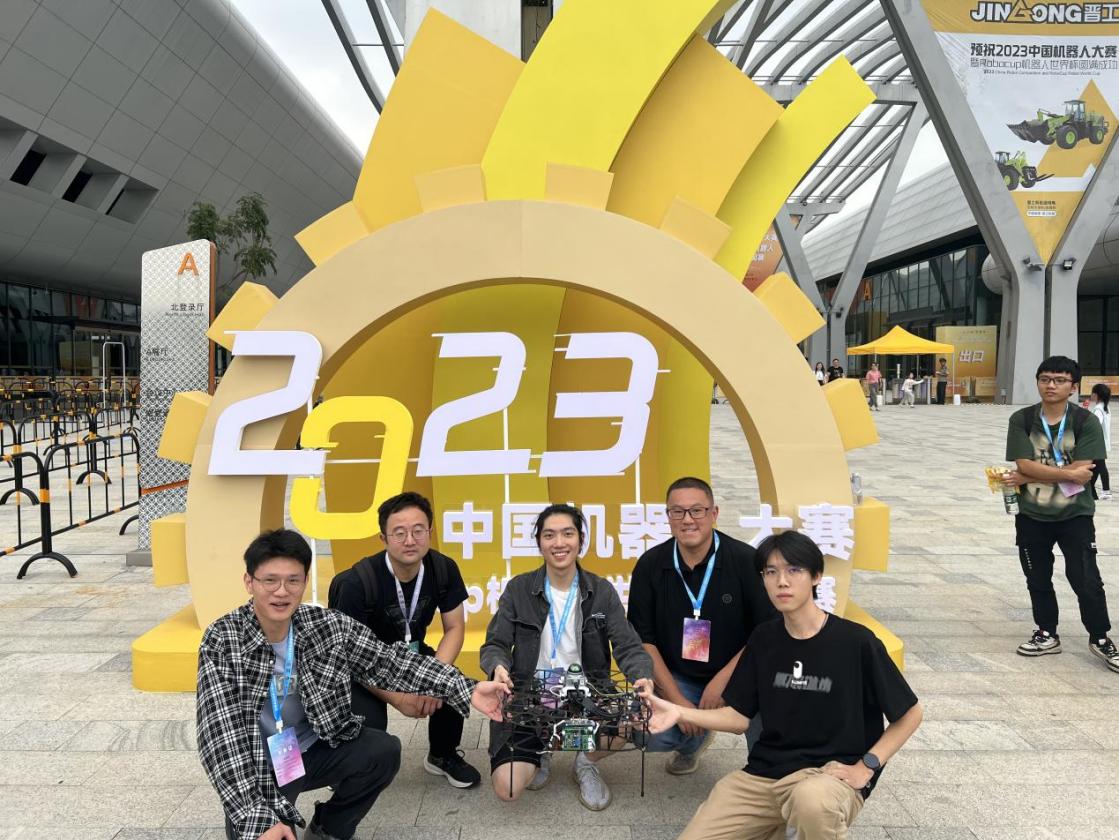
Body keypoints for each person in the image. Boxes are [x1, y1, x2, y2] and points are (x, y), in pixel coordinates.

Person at [197, 529, 508, 840]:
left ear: (305, 582)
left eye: (293, 580)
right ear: (249, 582)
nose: (282, 591)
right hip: (259, 764)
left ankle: (327, 829)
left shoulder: (325, 626)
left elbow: (388, 662)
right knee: (264, 829)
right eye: (270, 580)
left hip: (312, 748)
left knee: (382, 751)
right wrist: (257, 818)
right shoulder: (223, 639)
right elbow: (220, 738)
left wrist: (465, 689)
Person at [640, 531, 923, 840]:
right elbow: (738, 717)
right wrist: (680, 712)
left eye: (794, 570)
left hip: (828, 776)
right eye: (771, 572)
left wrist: (866, 767)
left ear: (816, 576)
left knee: (810, 802)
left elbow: (910, 714)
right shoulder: (764, 638)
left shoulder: (856, 642)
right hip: (765, 776)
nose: (782, 582)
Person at [481, 504, 653, 811]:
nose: (559, 543)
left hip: (586, 691)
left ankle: (585, 762)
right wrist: (498, 667)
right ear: (539, 542)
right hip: (531, 694)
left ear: (580, 539)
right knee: (507, 788)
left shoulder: (601, 591)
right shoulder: (519, 589)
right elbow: (496, 642)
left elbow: (628, 645)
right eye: (549, 535)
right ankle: (541, 750)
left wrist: (642, 677)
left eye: (567, 534)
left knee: (633, 720)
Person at [328, 492, 480, 788]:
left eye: (418, 530)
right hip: (363, 665)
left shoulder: (443, 569)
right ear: (383, 538)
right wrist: (399, 699)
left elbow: (454, 628)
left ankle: (442, 755)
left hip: (410, 655)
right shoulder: (355, 583)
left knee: (452, 683)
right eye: (399, 533)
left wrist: (434, 679)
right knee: (369, 723)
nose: (410, 540)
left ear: (430, 532)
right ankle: (350, 769)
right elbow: (351, 657)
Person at [627, 477, 776, 776]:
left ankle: (766, 775)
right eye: (678, 512)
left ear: (714, 513)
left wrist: (722, 681)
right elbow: (645, 640)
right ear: (668, 516)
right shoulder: (651, 564)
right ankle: (692, 743)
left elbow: (766, 632)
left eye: (697, 510)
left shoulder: (746, 561)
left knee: (772, 724)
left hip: (741, 673)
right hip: (681, 676)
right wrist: (679, 703)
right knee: (645, 731)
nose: (687, 520)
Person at [1002, 356, 1118, 672]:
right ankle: (1047, 633)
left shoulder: (1085, 422)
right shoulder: (1022, 419)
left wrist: (1029, 475)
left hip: (1075, 515)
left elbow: (1084, 471)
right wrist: (1062, 473)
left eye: (1060, 380)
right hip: (1031, 514)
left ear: (1073, 387)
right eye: (1045, 379)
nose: (1051, 385)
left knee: (1086, 578)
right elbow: (1023, 464)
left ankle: (1100, 637)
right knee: (1037, 577)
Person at [1089, 383, 1111, 501]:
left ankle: (1106, 491)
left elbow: (1095, 425)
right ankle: (1092, 493)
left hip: (1097, 443)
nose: (1091, 395)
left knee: (1100, 466)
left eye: (1093, 393)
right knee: (1096, 468)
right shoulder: (1105, 407)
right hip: (1102, 443)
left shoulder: (1098, 409)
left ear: (1097, 395)